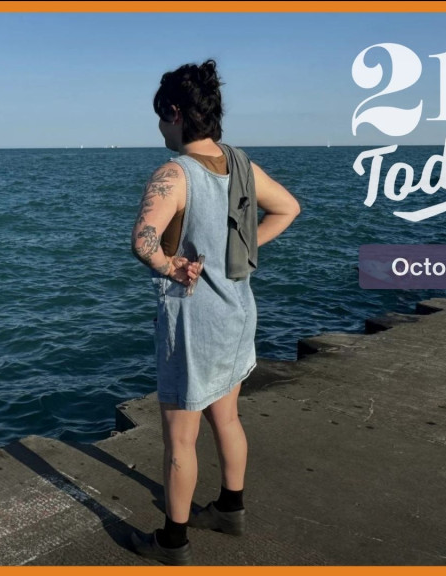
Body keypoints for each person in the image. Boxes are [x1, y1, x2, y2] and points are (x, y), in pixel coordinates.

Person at [129, 60, 300, 565]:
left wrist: (169, 265)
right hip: (239, 313)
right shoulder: (240, 162)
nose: (160, 127)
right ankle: (230, 510)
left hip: (194, 321)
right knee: (227, 418)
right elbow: (288, 208)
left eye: (162, 117)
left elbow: (142, 241)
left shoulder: (174, 172)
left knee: (180, 440)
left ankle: (173, 542)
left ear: (177, 113)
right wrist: (242, 252)